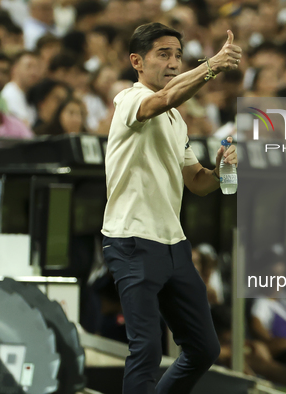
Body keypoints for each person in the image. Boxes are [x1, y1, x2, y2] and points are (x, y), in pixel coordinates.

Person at [101, 23, 240, 394]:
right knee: (145, 349)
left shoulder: (177, 120)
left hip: (173, 244)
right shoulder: (129, 99)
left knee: (204, 348)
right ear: (137, 62)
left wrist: (221, 169)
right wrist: (212, 66)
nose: (174, 62)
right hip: (131, 239)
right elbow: (162, 100)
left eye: (178, 55)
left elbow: (197, 182)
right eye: (163, 54)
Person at [0, 51, 41, 126]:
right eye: (29, 66)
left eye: (36, 68)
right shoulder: (10, 93)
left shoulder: (29, 94)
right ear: (14, 69)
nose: (34, 72)